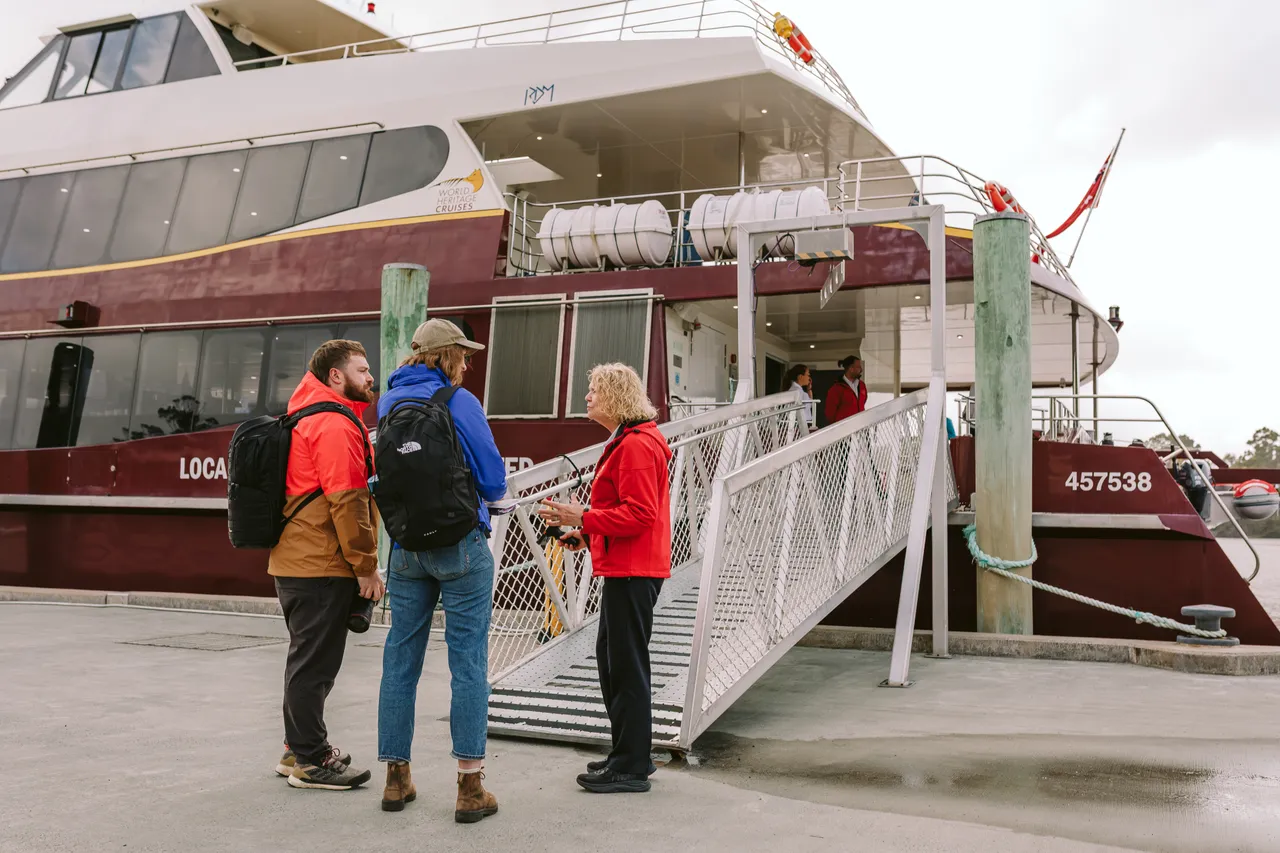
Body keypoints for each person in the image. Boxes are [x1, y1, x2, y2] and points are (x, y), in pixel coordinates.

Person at [375, 318, 507, 822]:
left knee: (400, 660)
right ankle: (469, 787)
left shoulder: (388, 403)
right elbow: (492, 474)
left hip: (407, 548)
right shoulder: (458, 402)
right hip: (460, 546)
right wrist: (493, 501)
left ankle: (396, 777)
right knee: (468, 662)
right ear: (446, 357)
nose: (468, 364)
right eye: (464, 356)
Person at [537, 363, 672, 794]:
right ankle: (627, 754)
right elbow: (629, 512)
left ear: (615, 396)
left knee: (626, 667)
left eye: (594, 390)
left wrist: (586, 516)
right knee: (615, 663)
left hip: (633, 570)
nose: (587, 397)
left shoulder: (635, 445)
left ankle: (631, 765)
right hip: (627, 567)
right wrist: (585, 531)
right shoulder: (629, 440)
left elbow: (640, 514)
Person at [271, 340, 382, 791]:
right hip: (320, 561)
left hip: (300, 557)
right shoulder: (333, 424)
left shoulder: (306, 414)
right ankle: (312, 761)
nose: (370, 376)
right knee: (314, 665)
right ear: (336, 376)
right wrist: (366, 566)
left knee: (307, 659)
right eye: (361, 368)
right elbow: (347, 500)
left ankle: (295, 747)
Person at [824, 354, 867, 426]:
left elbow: (863, 402)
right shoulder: (836, 389)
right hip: (844, 430)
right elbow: (830, 413)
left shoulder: (862, 385)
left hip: (860, 428)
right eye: (858, 367)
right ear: (851, 369)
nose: (861, 370)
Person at [782, 363, 816, 431]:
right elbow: (810, 404)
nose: (809, 378)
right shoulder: (797, 392)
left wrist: (809, 389)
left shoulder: (795, 390)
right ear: (800, 376)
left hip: (795, 424)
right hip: (799, 425)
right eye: (808, 375)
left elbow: (809, 403)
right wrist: (809, 390)